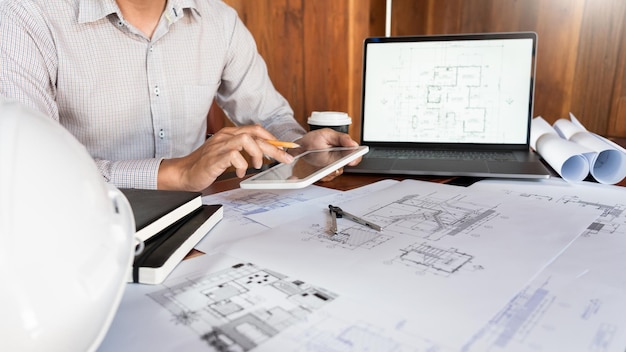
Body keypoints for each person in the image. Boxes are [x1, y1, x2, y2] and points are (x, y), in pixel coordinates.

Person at [0, 0, 359, 191]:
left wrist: (300, 148)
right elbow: (26, 169)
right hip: (79, 224)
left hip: (197, 224)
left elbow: (270, 117)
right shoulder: (25, 15)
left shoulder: (219, 20)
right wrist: (176, 173)